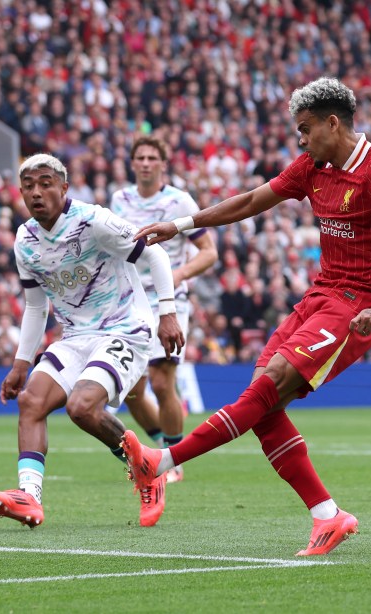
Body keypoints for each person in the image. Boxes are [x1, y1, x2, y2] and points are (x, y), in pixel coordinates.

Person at [121, 78, 371, 555]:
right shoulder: (313, 166)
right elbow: (250, 201)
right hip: (319, 296)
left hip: (356, 305)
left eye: (306, 130)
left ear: (333, 123)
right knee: (264, 404)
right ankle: (328, 516)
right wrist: (181, 225)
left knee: (271, 385)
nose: (301, 140)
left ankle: (162, 459)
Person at [0, 153, 184, 529]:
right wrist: (21, 364)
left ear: (64, 188)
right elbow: (35, 307)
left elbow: (154, 255)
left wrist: (167, 313)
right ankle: (30, 497)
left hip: (125, 328)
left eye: (45, 184)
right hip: (76, 337)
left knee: (82, 406)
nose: (37, 193)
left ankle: (148, 469)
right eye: (29, 186)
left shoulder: (94, 221)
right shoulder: (25, 240)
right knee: (31, 402)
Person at [109, 135, 218, 486]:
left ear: (162, 163)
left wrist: (177, 275)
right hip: (128, 301)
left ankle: (174, 459)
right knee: (133, 390)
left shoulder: (178, 200)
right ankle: (159, 449)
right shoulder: (119, 199)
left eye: (151, 157)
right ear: (132, 163)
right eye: (139, 157)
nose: (144, 163)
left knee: (161, 379)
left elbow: (208, 252)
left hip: (169, 302)